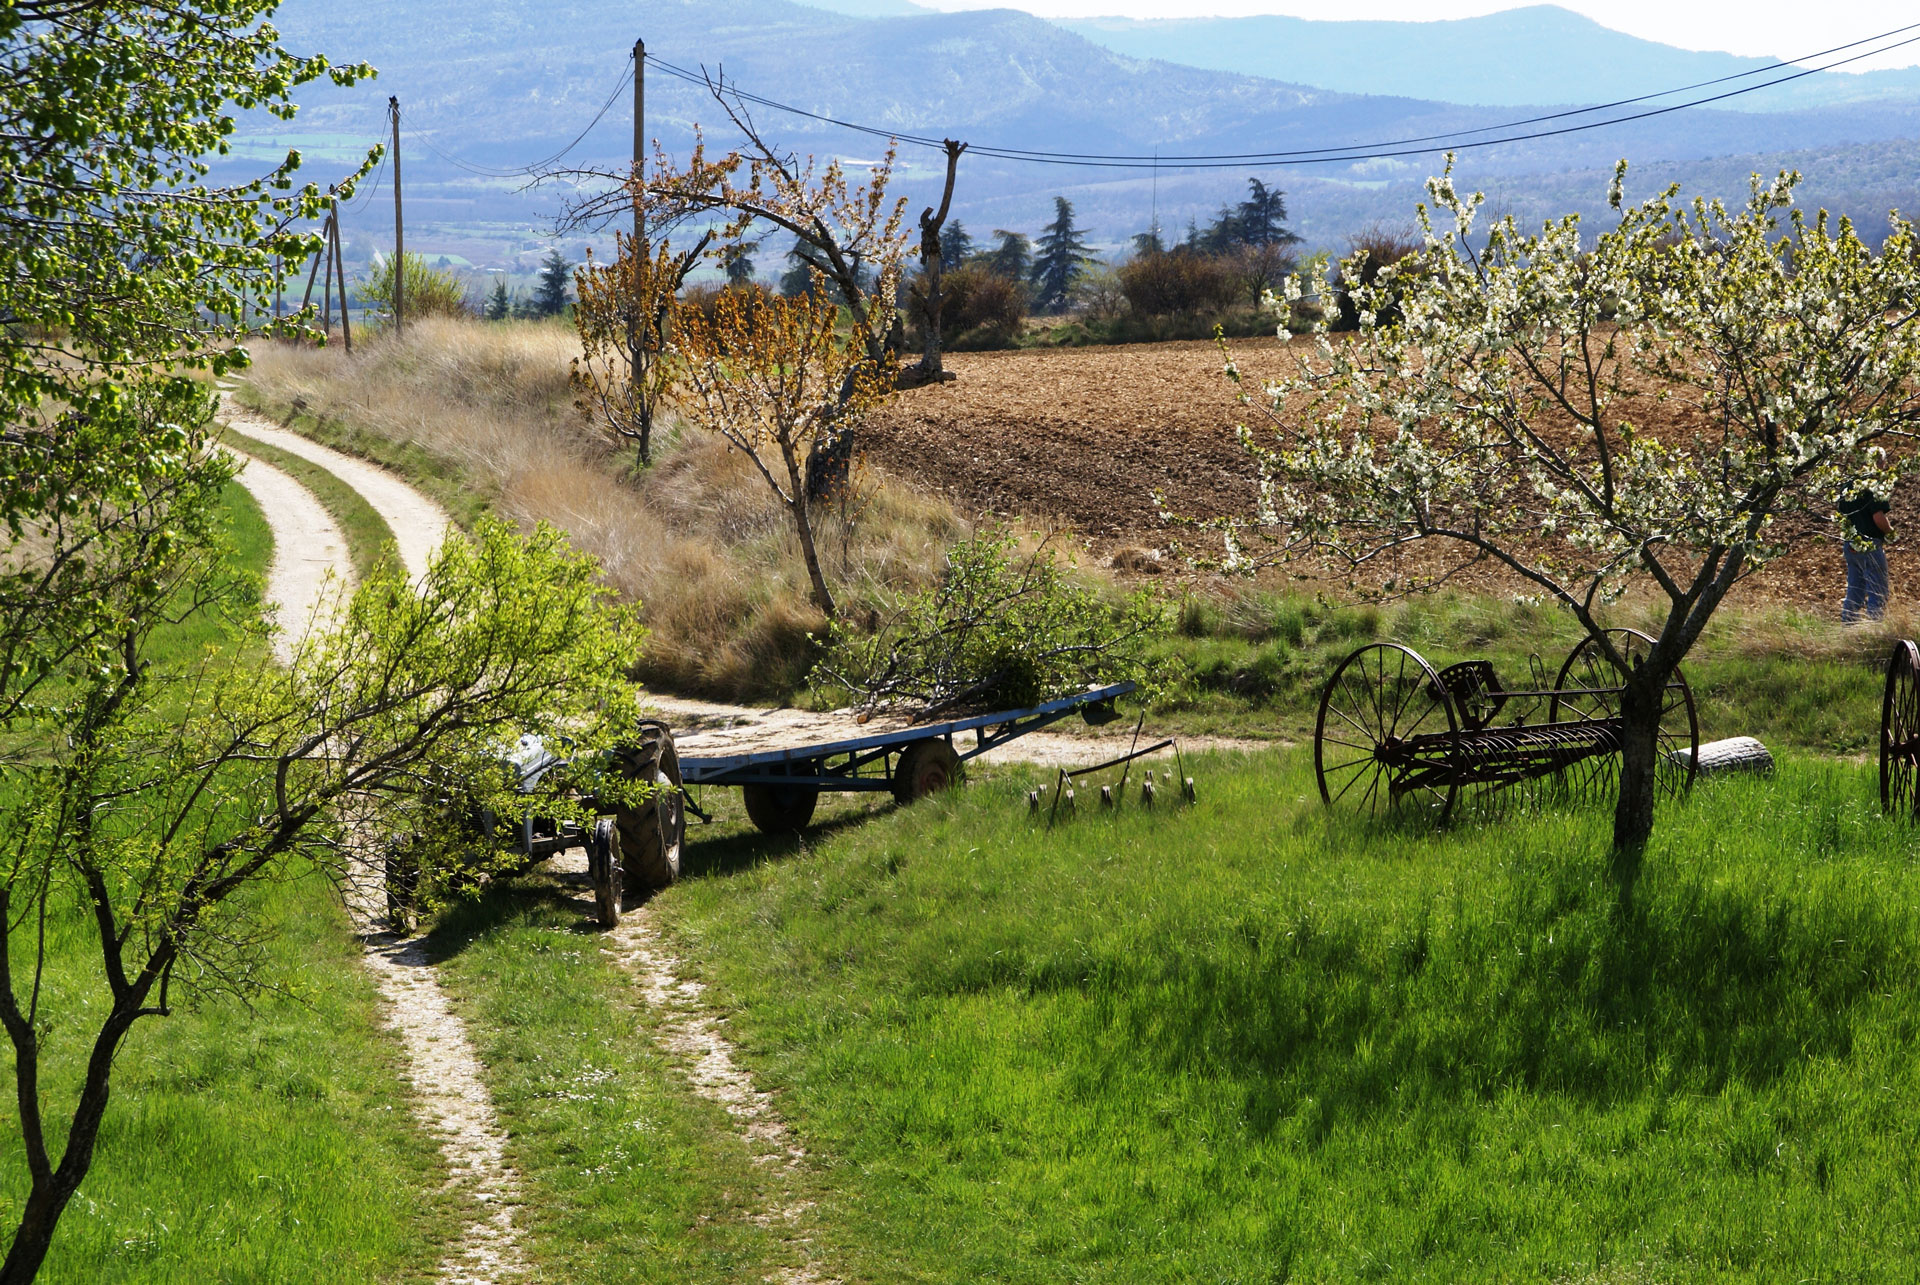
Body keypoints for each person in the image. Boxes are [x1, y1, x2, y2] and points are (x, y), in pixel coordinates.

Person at [1839, 486, 1893, 622]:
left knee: (1855, 588)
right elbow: (1878, 518)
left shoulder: (1847, 485)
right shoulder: (1874, 486)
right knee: (1878, 589)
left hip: (1851, 543)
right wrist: (1891, 532)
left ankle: (1848, 626)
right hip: (1870, 544)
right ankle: (1875, 627)